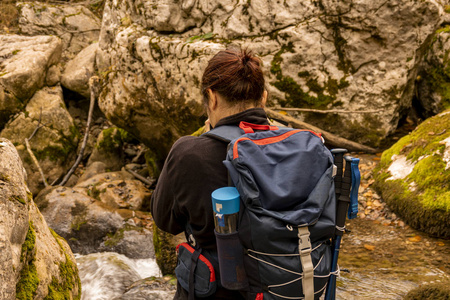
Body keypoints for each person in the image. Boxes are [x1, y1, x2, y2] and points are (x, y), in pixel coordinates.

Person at [150, 48, 269, 299]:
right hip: (287, 287)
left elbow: (164, 220)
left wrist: (203, 140)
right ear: (264, 99)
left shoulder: (189, 152)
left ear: (211, 98)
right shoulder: (304, 147)